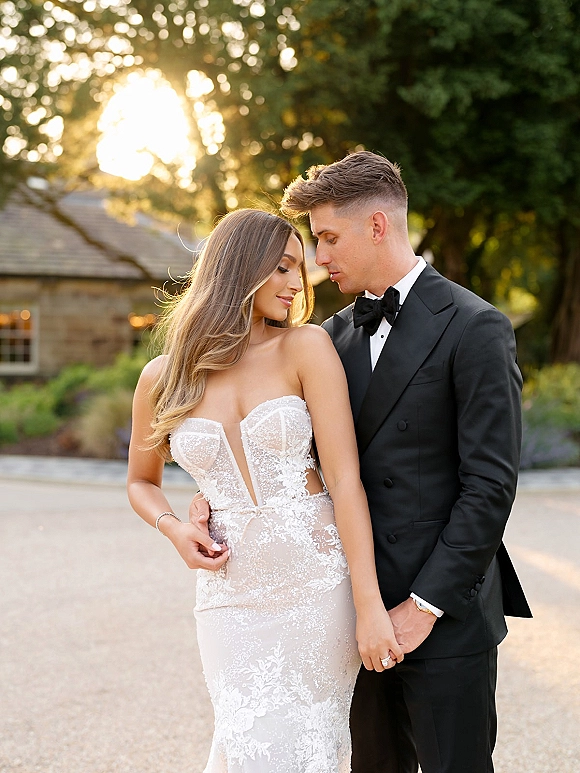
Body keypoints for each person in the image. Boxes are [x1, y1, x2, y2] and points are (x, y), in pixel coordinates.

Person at [279, 151, 532, 773]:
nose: (320, 260)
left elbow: (489, 487)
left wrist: (423, 609)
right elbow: (310, 466)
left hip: (445, 618)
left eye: (329, 238)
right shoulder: (329, 338)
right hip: (359, 615)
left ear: (377, 226)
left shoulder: (476, 327)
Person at [127, 208, 404, 773]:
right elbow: (140, 481)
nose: (297, 284)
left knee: (299, 750)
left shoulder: (304, 348)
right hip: (229, 597)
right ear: (238, 268)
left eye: (299, 269)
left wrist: (369, 602)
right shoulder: (163, 376)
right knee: (243, 742)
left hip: (315, 587)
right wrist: (175, 528)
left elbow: (346, 482)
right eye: (282, 268)